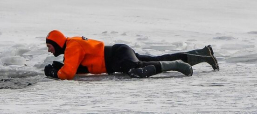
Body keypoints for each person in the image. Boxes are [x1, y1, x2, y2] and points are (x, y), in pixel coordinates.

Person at [43, 30, 219, 79]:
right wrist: (61, 67)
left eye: (50, 46)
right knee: (155, 59)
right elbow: (76, 68)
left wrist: (54, 73)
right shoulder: (72, 45)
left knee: (138, 71)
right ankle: (202, 55)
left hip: (117, 57)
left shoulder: (72, 47)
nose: (49, 50)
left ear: (57, 43)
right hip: (118, 53)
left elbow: (68, 74)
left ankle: (179, 65)